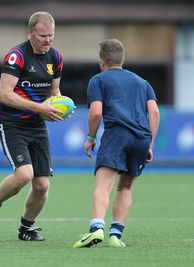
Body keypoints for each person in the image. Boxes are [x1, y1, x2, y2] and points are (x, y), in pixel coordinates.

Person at [0, 11, 67, 241]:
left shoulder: (56, 58)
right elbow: (4, 95)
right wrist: (39, 108)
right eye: (42, 36)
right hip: (12, 124)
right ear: (30, 33)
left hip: (37, 126)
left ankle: (26, 228)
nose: (47, 40)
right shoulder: (16, 56)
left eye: (51, 35)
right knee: (24, 175)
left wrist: (59, 106)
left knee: (41, 185)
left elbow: (54, 92)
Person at [72, 39, 160, 248]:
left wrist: (91, 138)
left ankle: (96, 230)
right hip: (141, 138)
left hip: (117, 136)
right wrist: (150, 144)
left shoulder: (99, 80)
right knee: (125, 188)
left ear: (101, 61)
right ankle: (115, 236)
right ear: (123, 59)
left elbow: (96, 113)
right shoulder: (142, 82)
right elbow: (154, 112)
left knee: (104, 185)